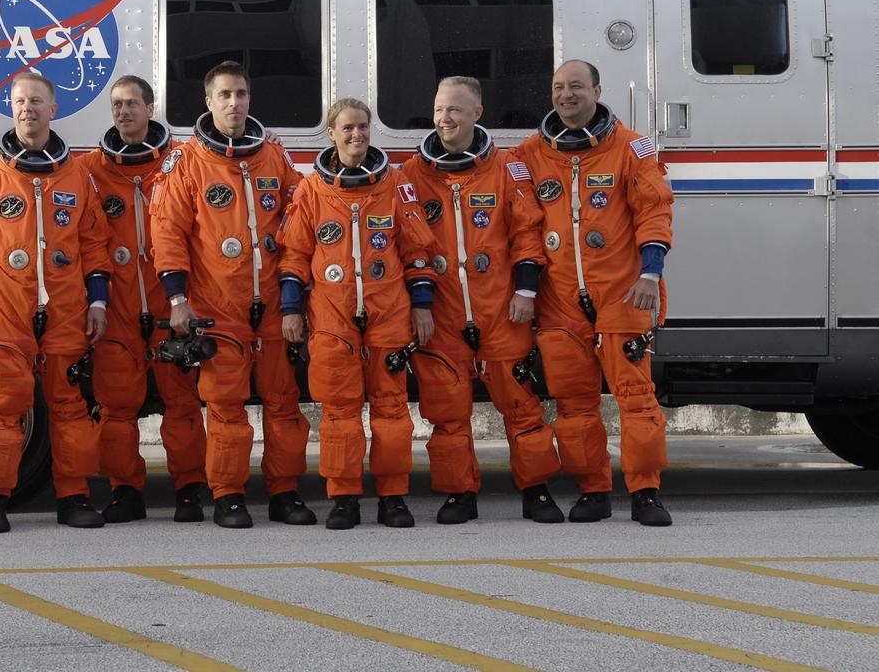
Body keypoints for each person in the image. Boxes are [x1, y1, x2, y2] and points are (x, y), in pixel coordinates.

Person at [150, 60, 315, 528]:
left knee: (284, 403)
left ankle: (284, 491)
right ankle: (228, 495)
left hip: (271, 304)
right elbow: (167, 235)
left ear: (249, 98)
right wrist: (178, 300)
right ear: (208, 102)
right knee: (225, 406)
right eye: (224, 95)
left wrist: (293, 294)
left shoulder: (273, 157)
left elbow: (299, 219)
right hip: (216, 305)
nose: (233, 103)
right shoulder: (186, 162)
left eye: (240, 94)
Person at [0, 72, 113, 533]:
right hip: (3, 310)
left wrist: (97, 304)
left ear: (53, 109)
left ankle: (75, 495)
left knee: (68, 407)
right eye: (19, 101)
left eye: (37, 101)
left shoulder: (77, 174)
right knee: (1, 405)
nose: (27, 109)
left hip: (65, 311)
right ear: (10, 108)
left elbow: (95, 246)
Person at [514, 60, 674, 527]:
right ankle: (593, 490)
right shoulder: (529, 155)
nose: (566, 95)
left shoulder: (631, 148)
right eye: (558, 87)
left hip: (622, 290)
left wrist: (650, 272)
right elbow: (524, 225)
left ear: (597, 90)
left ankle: (645, 491)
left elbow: (655, 211)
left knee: (636, 395)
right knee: (573, 400)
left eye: (576, 86)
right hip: (558, 296)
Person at [403, 77, 564, 524]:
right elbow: (409, 246)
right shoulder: (412, 175)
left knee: (521, 406)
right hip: (442, 313)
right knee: (447, 412)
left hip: (500, 310)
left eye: (455, 109)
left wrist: (526, 292)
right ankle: (459, 494)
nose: (444, 118)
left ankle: (536, 490)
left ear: (477, 113)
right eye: (438, 109)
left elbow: (527, 235)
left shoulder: (506, 170)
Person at [278, 98, 436, 529]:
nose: (357, 135)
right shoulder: (312, 189)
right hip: (332, 318)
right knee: (339, 414)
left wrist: (422, 307)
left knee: (391, 411)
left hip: (389, 315)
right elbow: (294, 256)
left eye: (363, 127)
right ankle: (344, 497)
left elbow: (417, 252)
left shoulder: (396, 184)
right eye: (347, 128)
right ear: (331, 134)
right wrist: (291, 311)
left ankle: (393, 497)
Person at [79, 75, 209, 523]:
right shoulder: (91, 168)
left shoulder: (181, 161)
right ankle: (124, 490)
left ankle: (190, 487)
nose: (124, 112)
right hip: (117, 304)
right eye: (117, 105)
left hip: (168, 301)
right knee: (116, 406)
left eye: (133, 104)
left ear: (150, 108)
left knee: (182, 401)